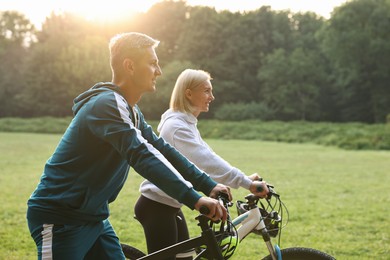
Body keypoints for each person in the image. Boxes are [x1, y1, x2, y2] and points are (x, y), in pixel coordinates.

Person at [26, 33, 232, 260]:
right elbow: (141, 154)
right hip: (60, 219)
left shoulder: (130, 111)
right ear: (130, 66)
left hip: (93, 218)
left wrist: (207, 185)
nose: (159, 71)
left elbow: (162, 149)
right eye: (153, 63)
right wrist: (194, 198)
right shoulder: (106, 105)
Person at [134, 69, 269, 259]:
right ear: (188, 93)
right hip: (157, 206)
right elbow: (207, 162)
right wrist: (247, 183)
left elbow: (205, 159)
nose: (212, 97)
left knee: (187, 257)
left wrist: (244, 179)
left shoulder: (186, 122)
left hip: (170, 205)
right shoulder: (176, 127)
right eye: (206, 91)